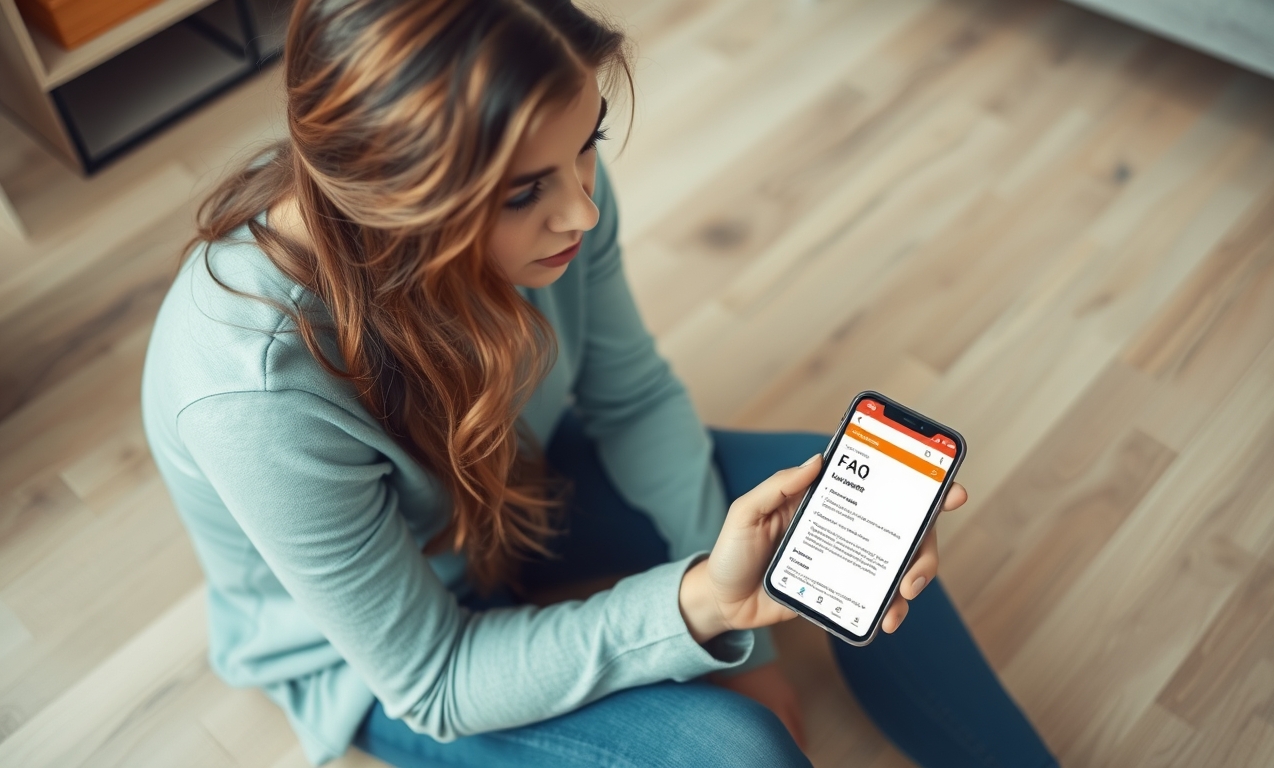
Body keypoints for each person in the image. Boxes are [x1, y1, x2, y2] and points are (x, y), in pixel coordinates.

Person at [141, 1, 1058, 766]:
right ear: (397, 200)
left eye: (590, 143)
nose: (581, 206)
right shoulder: (251, 385)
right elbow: (435, 680)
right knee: (738, 751)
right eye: (521, 194)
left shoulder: (555, 186)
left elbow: (634, 397)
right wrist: (703, 609)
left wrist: (744, 644)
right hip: (392, 652)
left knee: (864, 504)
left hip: (521, 489)